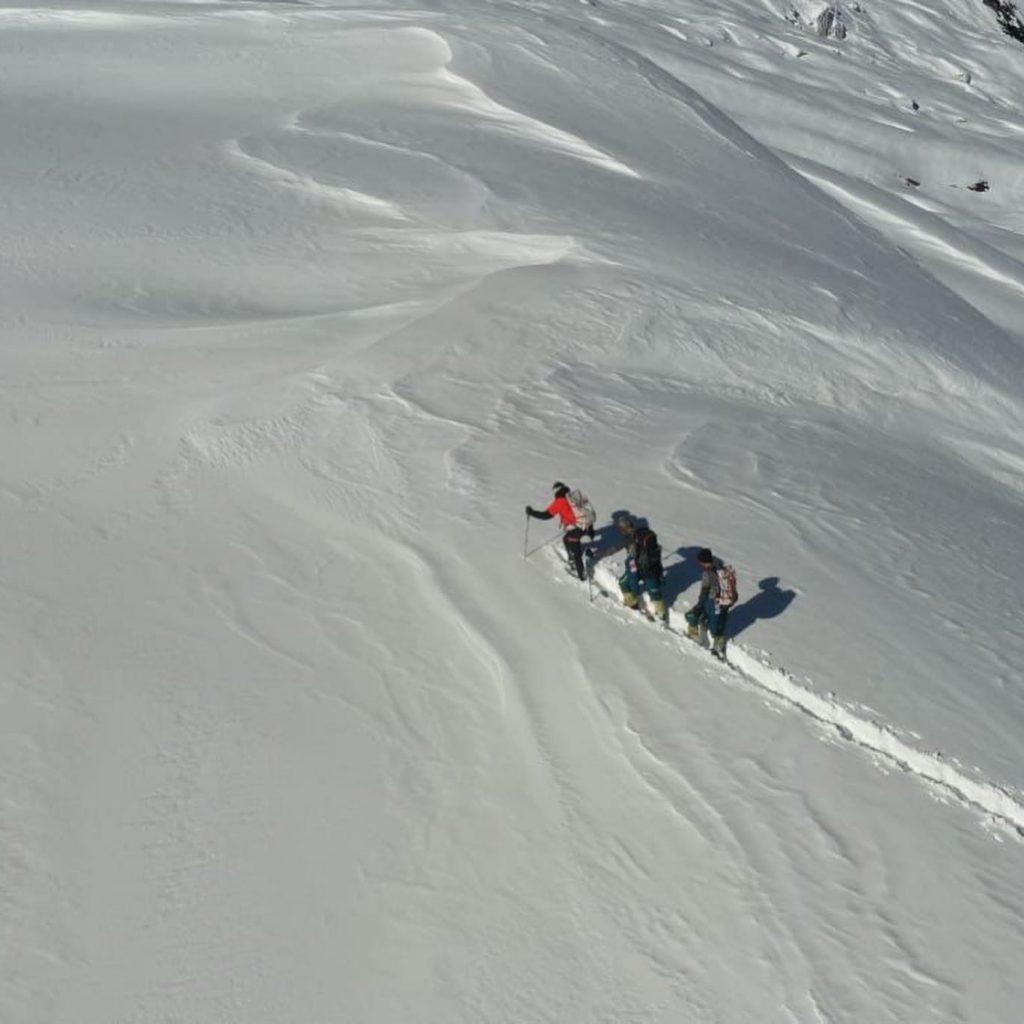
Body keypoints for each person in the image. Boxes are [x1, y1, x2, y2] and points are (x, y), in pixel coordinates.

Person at [526, 482, 594, 579]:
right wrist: (590, 530)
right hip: (586, 526)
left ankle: (581, 575)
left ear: (557, 491)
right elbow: (587, 510)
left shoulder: (560, 501)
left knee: (576, 553)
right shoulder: (573, 497)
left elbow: (546, 515)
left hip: (575, 530)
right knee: (566, 539)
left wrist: (532, 512)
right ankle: (575, 558)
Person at [613, 514, 667, 623]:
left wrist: (635, 594)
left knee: (623, 583)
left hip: (641, 569)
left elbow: (633, 577)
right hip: (652, 570)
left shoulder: (631, 546)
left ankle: (633, 605)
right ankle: (662, 616)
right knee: (655, 593)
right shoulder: (642, 535)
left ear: (623, 528)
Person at [685, 548, 736, 659]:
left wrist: (698, 606)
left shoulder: (708, 574)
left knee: (709, 623)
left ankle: (717, 645)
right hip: (726, 601)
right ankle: (718, 641)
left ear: (703, 561)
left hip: (715, 602)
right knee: (720, 619)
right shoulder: (720, 567)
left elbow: (704, 593)